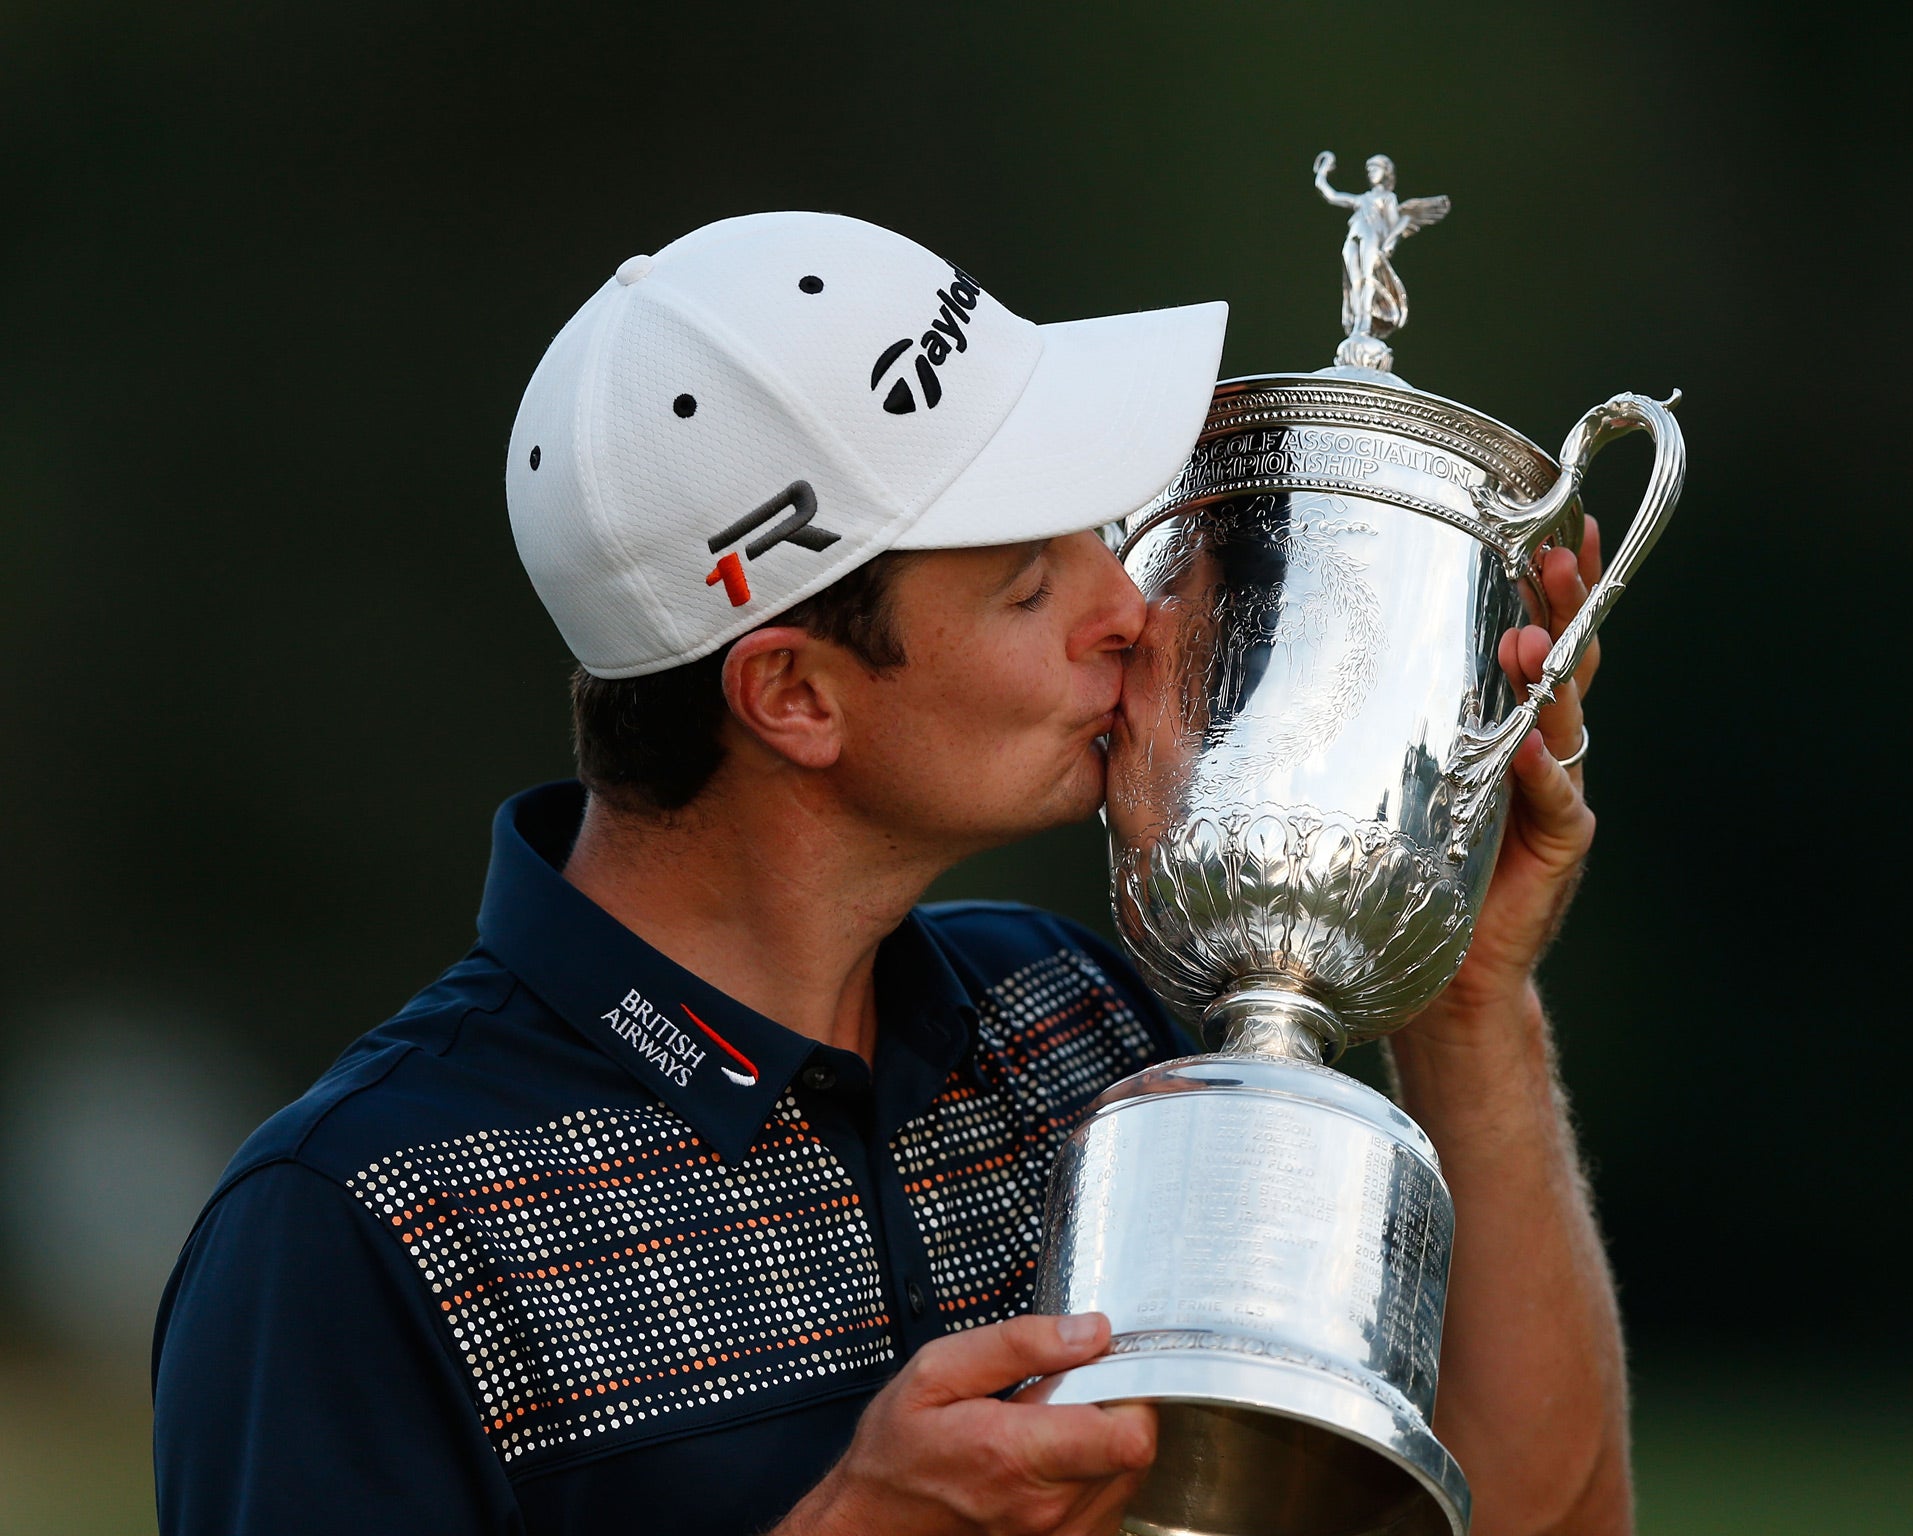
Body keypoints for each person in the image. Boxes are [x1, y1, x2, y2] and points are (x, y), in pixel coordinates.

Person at [154, 210, 1630, 1536]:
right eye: (1027, 580)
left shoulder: (1079, 1024)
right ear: (794, 695)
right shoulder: (348, 1224)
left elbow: (1543, 1518)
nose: (1129, 609)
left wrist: (1467, 990)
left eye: (1094, 535)